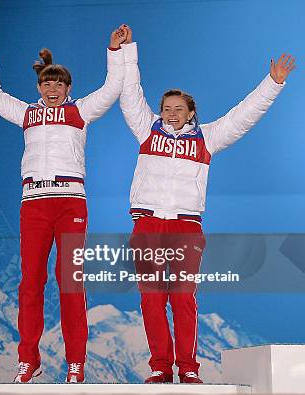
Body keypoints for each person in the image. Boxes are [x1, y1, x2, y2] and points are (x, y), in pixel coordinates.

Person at [118, 26, 295, 384]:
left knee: (183, 299)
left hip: (186, 225)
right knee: (152, 300)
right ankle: (159, 367)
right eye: (166, 108)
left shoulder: (207, 137)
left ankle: (188, 368)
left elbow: (243, 116)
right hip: (148, 224)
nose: (170, 113)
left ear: (191, 112)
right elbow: (129, 94)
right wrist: (127, 51)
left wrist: (272, 84)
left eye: (178, 109)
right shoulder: (146, 129)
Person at [0, 26, 128, 383]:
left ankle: (76, 362)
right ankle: (28, 360)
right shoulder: (26, 113)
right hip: (34, 204)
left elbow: (112, 87)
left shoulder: (81, 111)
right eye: (47, 84)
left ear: (68, 88)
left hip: (71, 203)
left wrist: (113, 49)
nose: (53, 90)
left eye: (59, 84)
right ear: (39, 87)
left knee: (70, 282)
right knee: (30, 282)